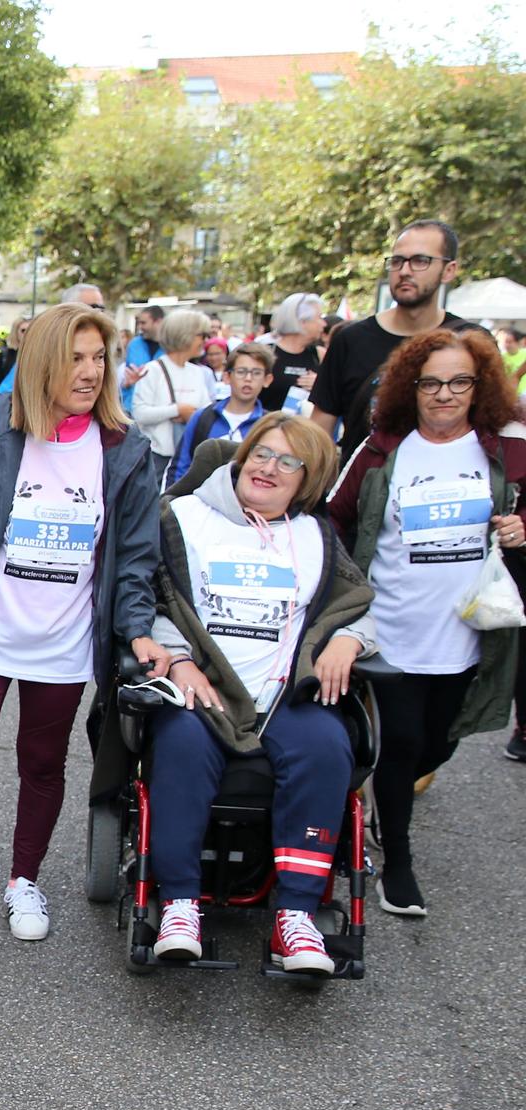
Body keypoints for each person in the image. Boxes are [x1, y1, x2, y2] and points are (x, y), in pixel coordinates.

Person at [0, 302, 171, 957]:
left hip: (66, 642)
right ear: (42, 364)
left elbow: (136, 555)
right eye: (74, 358)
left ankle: (24, 882)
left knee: (43, 762)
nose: (88, 371)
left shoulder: (124, 450)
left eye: (98, 358)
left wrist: (137, 629)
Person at [135, 416, 375, 974]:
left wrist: (348, 638)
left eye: (288, 462)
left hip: (284, 696)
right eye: (262, 454)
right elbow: (149, 598)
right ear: (241, 458)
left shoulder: (315, 537)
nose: (269, 468)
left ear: (306, 481)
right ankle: (179, 903)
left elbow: (362, 600)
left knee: (326, 745)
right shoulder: (183, 518)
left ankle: (296, 916)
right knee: (181, 742)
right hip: (204, 685)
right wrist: (179, 658)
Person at [322, 327, 526, 917]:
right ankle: (399, 866)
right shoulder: (382, 448)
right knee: (403, 741)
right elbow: (333, 520)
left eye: (458, 381)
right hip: (390, 627)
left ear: (478, 386)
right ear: (410, 388)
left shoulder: (503, 451)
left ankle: (392, 806)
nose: (443, 394)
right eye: (430, 382)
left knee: (441, 743)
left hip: (467, 632)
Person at [313, 220, 473, 466]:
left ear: (449, 270)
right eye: (397, 261)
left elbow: (489, 428)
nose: (405, 270)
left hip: (446, 493)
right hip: (360, 495)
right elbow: (318, 433)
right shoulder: (350, 340)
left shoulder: (470, 340)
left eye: (420, 261)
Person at [131, 309, 216, 488]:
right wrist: (177, 410)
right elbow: (139, 413)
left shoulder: (197, 373)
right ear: (186, 335)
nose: (205, 341)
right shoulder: (152, 370)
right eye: (202, 335)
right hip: (155, 459)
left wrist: (189, 414)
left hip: (186, 459)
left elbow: (207, 414)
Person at [169, 342, 272, 482]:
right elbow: (180, 466)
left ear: (267, 380)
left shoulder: (269, 426)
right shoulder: (203, 418)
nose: (248, 379)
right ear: (227, 377)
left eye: (256, 373)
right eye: (241, 371)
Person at [263, 293, 327, 415]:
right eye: (319, 317)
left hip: (302, 430)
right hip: (267, 428)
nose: (324, 324)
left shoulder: (319, 355)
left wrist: (320, 385)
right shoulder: (266, 353)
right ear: (302, 321)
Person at [0, 318, 32, 396]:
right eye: (23, 330)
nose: (27, 334)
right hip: (6, 400)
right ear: (15, 332)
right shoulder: (4, 355)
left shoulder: (36, 354)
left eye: (30, 330)